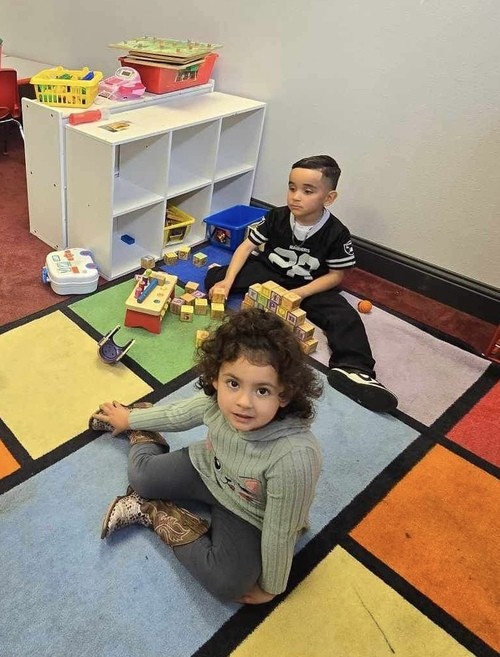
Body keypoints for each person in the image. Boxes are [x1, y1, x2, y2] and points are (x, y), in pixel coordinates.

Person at [91, 308, 323, 604]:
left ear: (285, 394)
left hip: (248, 510)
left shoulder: (294, 458)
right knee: (141, 478)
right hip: (207, 469)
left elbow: (281, 530)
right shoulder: (218, 402)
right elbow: (178, 414)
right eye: (233, 383)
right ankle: (145, 437)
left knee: (227, 584)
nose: (243, 402)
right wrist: (131, 419)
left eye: (263, 391)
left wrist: (272, 587)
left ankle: (151, 510)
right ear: (215, 378)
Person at [205, 155, 398, 413]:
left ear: (329, 198)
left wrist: (300, 293)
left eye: (308, 191)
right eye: (292, 187)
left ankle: (355, 369)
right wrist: (227, 281)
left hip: (310, 284)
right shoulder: (276, 216)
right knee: (216, 279)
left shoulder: (336, 232)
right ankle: (220, 275)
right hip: (270, 272)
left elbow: (336, 276)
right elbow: (246, 246)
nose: (295, 197)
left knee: (343, 316)